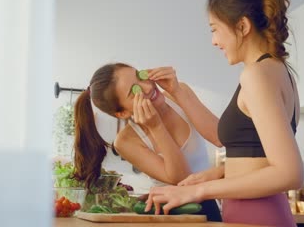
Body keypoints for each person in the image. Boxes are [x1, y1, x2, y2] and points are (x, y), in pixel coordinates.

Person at [145, 0, 304, 226]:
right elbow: (247, 151)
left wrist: (198, 191)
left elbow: (289, 173)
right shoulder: (278, 72)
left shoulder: (256, 76)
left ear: (242, 26)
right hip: (261, 215)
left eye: (214, 29)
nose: (214, 41)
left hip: (258, 218)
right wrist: (215, 174)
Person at [72, 62, 222, 221]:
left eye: (140, 76)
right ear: (122, 113)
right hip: (170, 213)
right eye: (134, 91)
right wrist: (156, 127)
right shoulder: (125, 142)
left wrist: (177, 90)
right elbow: (182, 179)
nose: (148, 87)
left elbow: (219, 138)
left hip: (207, 200)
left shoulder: (179, 92)